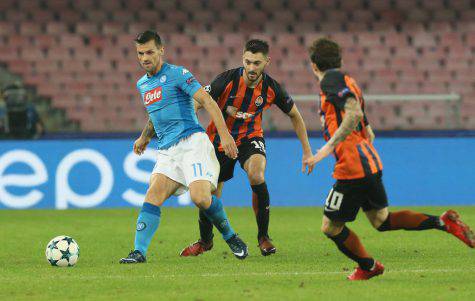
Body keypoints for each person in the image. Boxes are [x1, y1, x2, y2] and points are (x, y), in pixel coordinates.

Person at [304, 38, 474, 280]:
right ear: (340, 61)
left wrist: (327, 148)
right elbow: (367, 127)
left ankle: (368, 266)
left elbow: (354, 113)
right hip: (370, 161)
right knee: (381, 220)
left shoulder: (330, 80)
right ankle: (442, 222)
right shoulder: (349, 81)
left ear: (313, 65)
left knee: (330, 227)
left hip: (353, 167)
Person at [119, 30, 248, 263]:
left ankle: (230, 236)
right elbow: (155, 114)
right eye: (140, 53)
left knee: (200, 197)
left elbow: (207, 101)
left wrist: (225, 135)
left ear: (161, 50)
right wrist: (144, 136)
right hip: (168, 150)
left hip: (192, 143)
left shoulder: (179, 74)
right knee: (153, 194)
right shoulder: (143, 84)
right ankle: (139, 252)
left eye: (149, 52)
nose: (145, 57)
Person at [180, 39, 315, 257]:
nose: (251, 68)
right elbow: (197, 102)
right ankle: (205, 241)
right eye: (248, 62)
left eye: (257, 63)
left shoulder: (272, 88)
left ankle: (264, 237)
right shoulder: (226, 80)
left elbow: (295, 116)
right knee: (210, 194)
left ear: (267, 62)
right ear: (243, 58)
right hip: (219, 140)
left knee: (256, 173)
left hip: (249, 138)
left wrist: (307, 151)